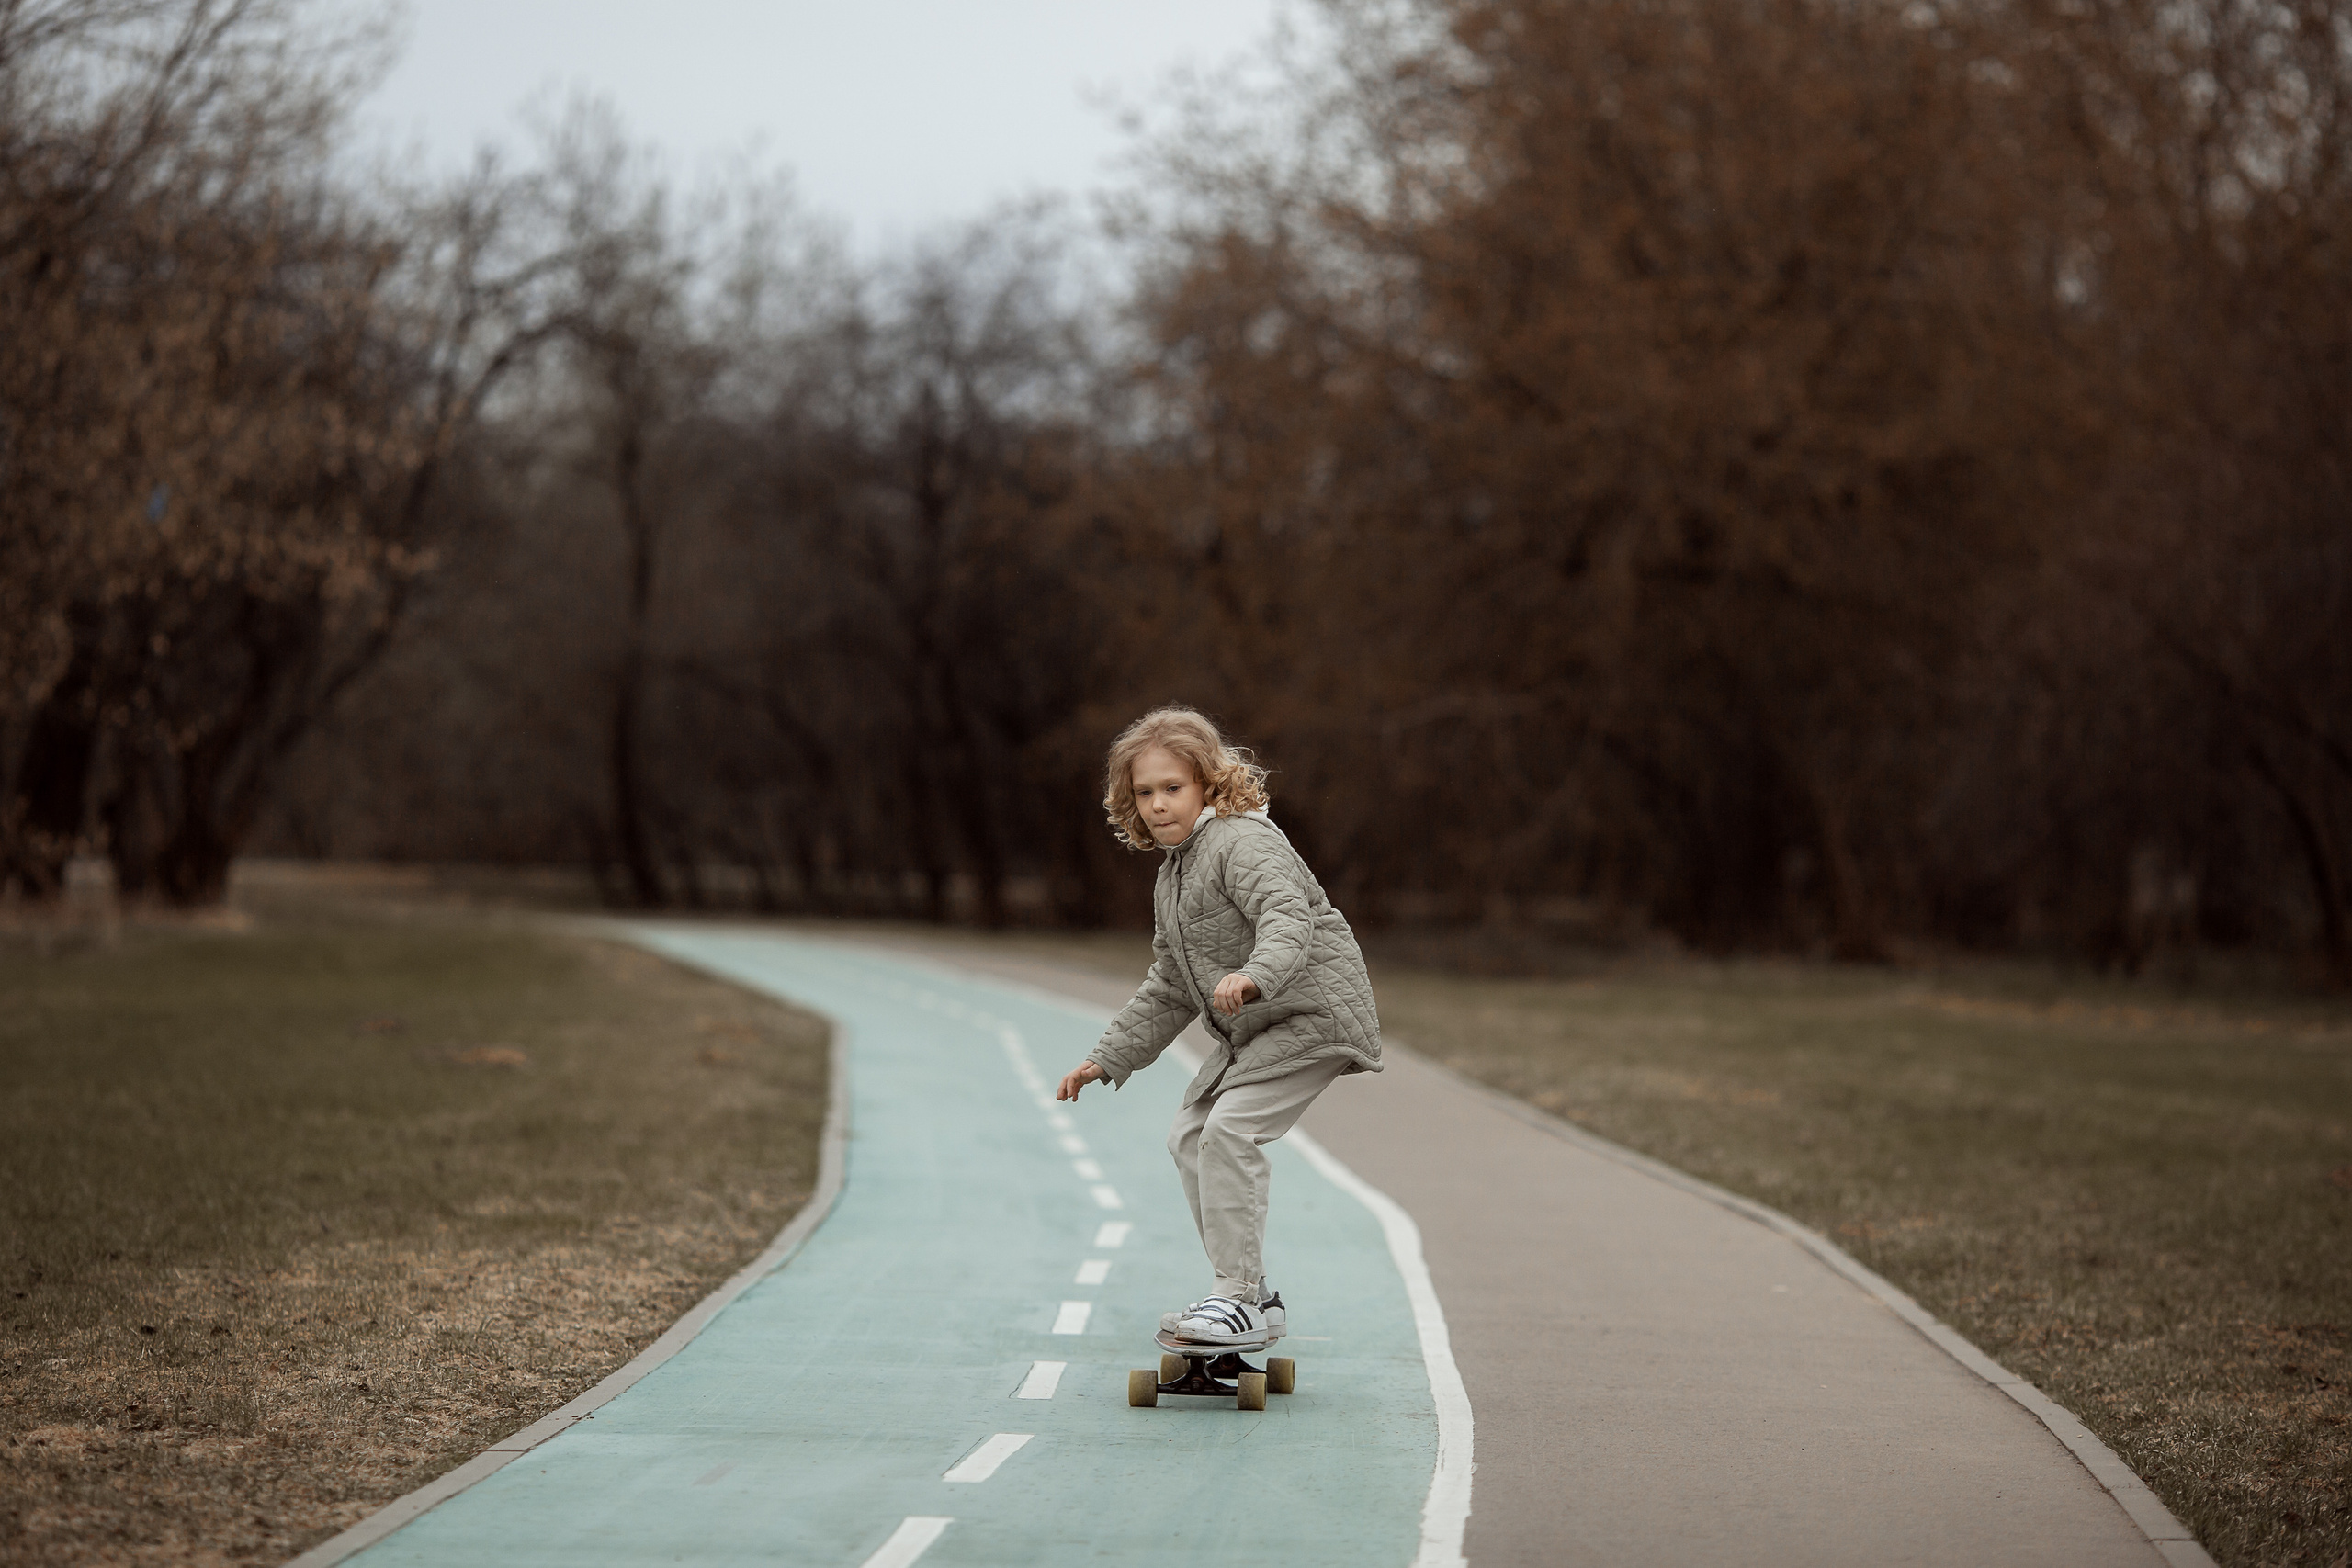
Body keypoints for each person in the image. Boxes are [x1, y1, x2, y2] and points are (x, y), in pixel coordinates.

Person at [1056, 708, 1382, 1346]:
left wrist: (1255, 973)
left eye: (1171, 788)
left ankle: (1234, 1297)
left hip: (1311, 1012)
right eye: (1143, 792)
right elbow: (1171, 983)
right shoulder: (1173, 874)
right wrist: (1108, 1057)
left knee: (1230, 1129)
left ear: (1208, 783)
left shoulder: (1244, 841)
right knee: (1189, 1134)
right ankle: (1252, 1292)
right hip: (1262, 1027)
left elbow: (1288, 917)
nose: (1156, 804)